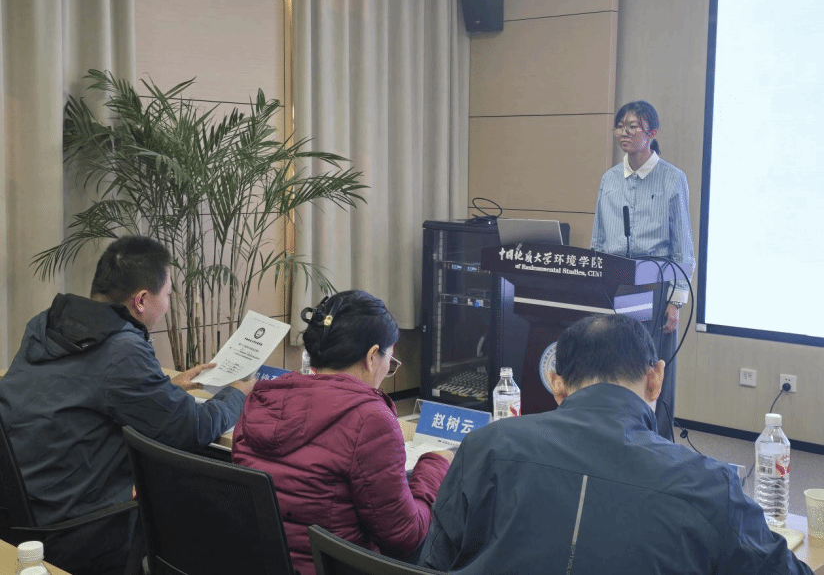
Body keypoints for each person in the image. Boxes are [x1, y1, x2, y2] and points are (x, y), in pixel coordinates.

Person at [419, 314, 813, 575]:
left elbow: (432, 564)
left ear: (556, 383)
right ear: (655, 379)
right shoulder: (710, 484)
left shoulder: (484, 446)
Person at [0, 236, 254, 575]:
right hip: (80, 528)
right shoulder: (121, 349)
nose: (168, 304)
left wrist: (165, 387)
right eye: (167, 295)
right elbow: (191, 429)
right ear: (142, 300)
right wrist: (236, 393)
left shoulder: (47, 325)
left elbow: (83, 394)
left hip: (25, 517)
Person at [232, 290, 452, 575]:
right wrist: (434, 465)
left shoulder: (261, 398)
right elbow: (404, 537)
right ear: (372, 356)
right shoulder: (369, 420)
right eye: (389, 360)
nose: (387, 369)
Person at [590, 100, 695, 440]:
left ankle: (656, 442)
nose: (624, 132)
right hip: (614, 281)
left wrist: (676, 301)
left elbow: (683, 247)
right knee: (613, 362)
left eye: (633, 126)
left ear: (652, 133)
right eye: (620, 126)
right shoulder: (609, 178)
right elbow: (598, 239)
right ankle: (615, 435)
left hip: (654, 283)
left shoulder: (672, 178)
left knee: (652, 367)